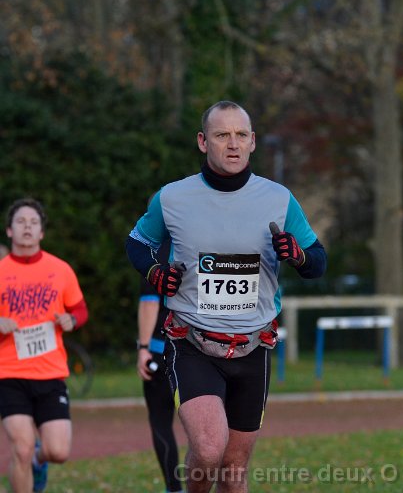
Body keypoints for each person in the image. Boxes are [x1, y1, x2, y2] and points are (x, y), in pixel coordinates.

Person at [126, 101, 327, 493]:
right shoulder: (172, 198)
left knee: (234, 469)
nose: (233, 144)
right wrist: (154, 272)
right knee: (207, 449)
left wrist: (298, 255)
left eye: (240, 135)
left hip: (253, 347)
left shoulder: (279, 199)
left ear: (253, 142)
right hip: (192, 343)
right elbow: (137, 242)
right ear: (203, 142)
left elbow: (317, 260)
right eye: (222, 135)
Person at [0, 198, 89, 493]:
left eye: (33, 222)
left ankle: (40, 461)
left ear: (41, 232)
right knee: (21, 448)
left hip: (50, 374)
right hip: (9, 374)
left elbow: (80, 310)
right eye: (20, 222)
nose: (27, 227)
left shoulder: (60, 269)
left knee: (58, 451)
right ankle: (29, 462)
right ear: (9, 230)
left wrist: (70, 320)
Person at [137, 256, 184, 493]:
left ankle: (174, 489)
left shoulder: (155, 254)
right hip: (199, 352)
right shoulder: (201, 245)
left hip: (160, 350)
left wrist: (143, 347)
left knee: (161, 423)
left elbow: (149, 303)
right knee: (206, 429)